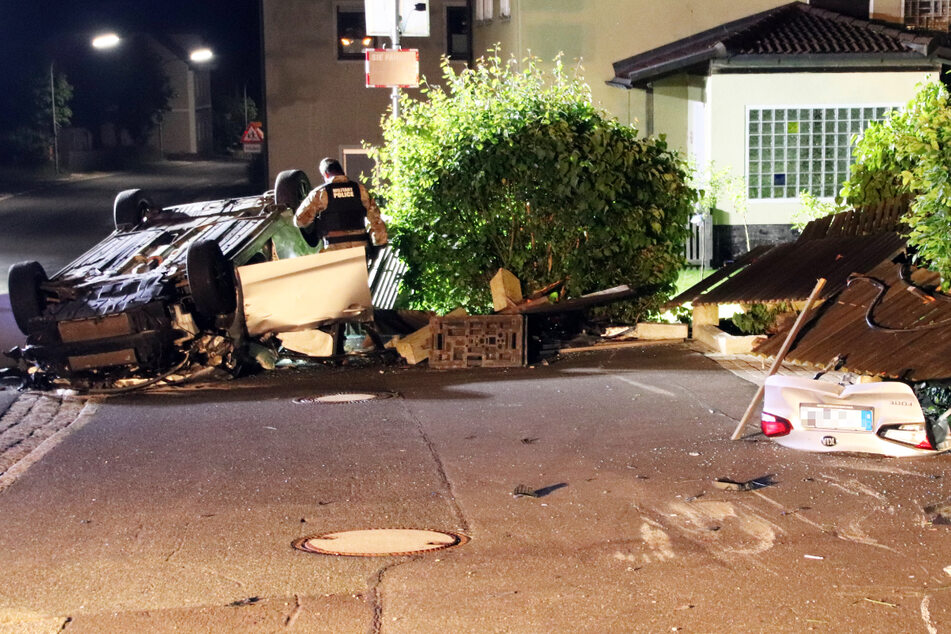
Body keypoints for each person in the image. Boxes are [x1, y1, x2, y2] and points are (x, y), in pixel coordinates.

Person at [294, 157, 387, 252]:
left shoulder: (320, 193)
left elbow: (300, 221)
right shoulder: (360, 190)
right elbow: (376, 219)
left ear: (325, 174)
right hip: (360, 250)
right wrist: (379, 243)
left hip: (335, 251)